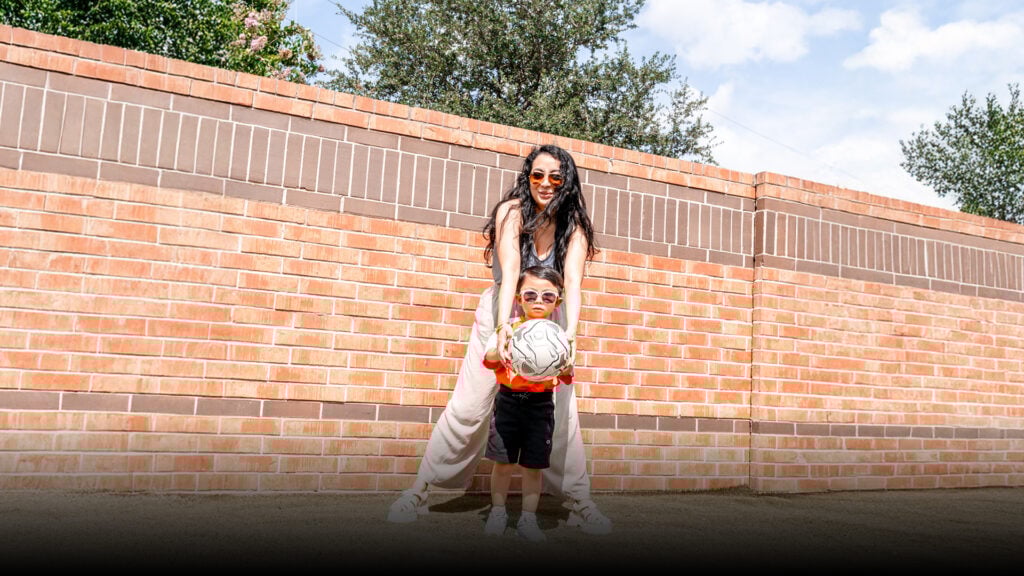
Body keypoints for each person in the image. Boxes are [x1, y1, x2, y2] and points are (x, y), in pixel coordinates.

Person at [386, 144, 612, 535]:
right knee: (469, 405)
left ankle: (579, 500)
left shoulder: (573, 224)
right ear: (528, 177)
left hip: (548, 321)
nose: (545, 183)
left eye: (555, 176)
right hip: (502, 311)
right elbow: (510, 274)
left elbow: (573, 283)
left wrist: (571, 335)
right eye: (537, 175)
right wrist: (503, 329)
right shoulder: (511, 211)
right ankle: (419, 490)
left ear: (567, 181)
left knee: (561, 415)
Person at [482, 265, 574, 542]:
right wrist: (500, 349)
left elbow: (567, 375)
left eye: (548, 296)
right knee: (503, 462)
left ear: (557, 302)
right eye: (530, 295)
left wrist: (566, 364)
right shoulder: (507, 330)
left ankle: (528, 519)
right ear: (518, 298)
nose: (538, 301)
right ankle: (498, 512)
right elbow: (488, 360)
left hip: (540, 406)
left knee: (533, 466)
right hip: (509, 402)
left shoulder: (559, 337)